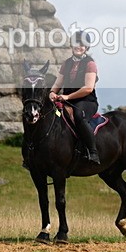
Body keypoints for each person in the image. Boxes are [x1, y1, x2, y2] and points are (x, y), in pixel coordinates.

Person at [49, 30, 101, 164]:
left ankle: (92, 152)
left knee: (78, 115)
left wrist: (67, 97)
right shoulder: (66, 63)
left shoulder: (90, 64)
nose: (79, 46)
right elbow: (58, 84)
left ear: (87, 47)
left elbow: (88, 88)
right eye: (77, 43)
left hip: (86, 101)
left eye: (82, 44)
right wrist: (52, 93)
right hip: (67, 100)